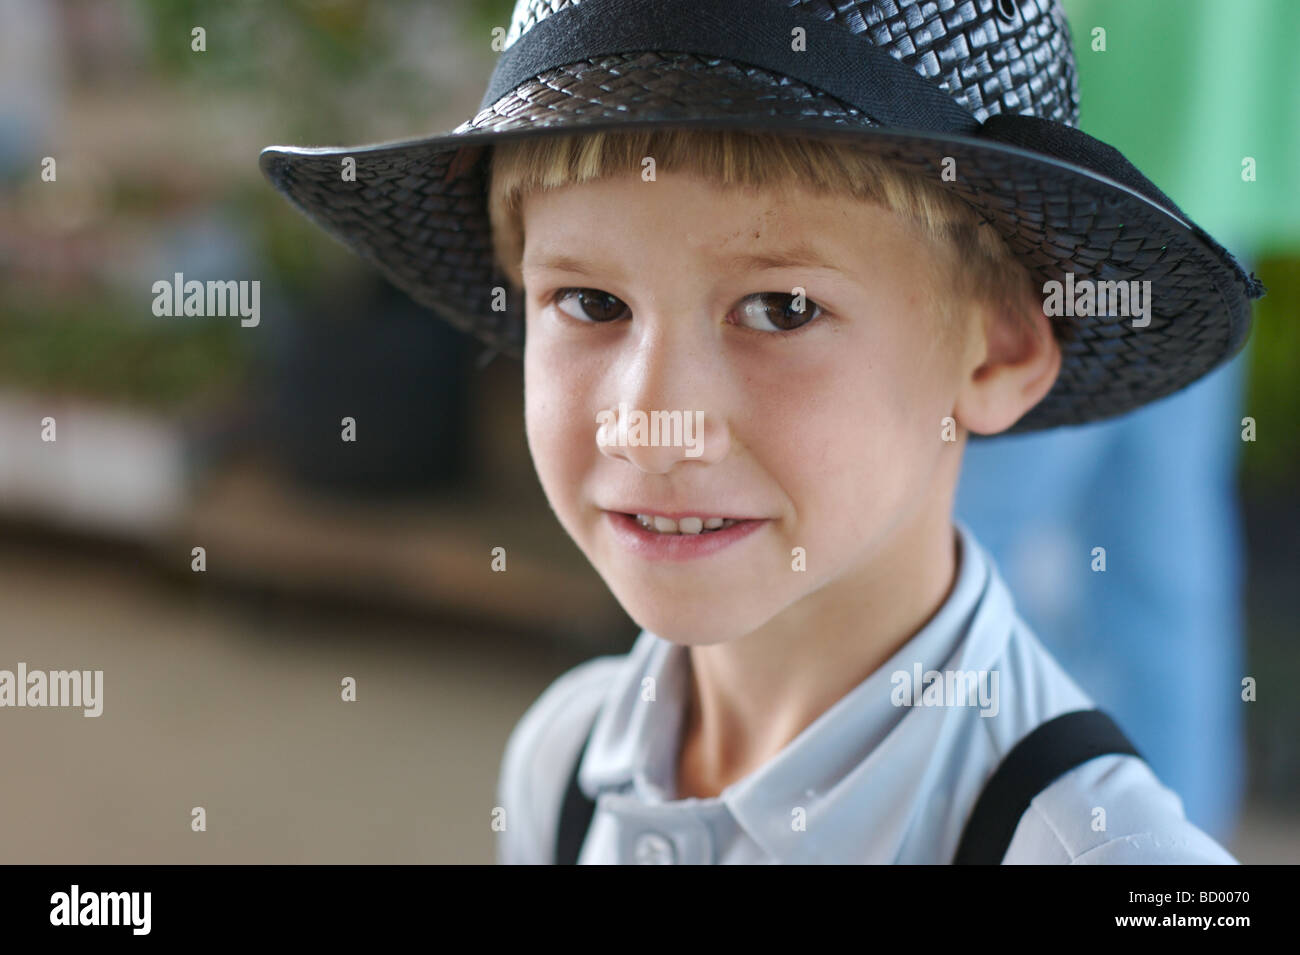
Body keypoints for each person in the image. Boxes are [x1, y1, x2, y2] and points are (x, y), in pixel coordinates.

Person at [259, 0, 1264, 863]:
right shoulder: (561, 762)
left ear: (996, 352)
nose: (654, 424)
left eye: (780, 308)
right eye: (591, 302)